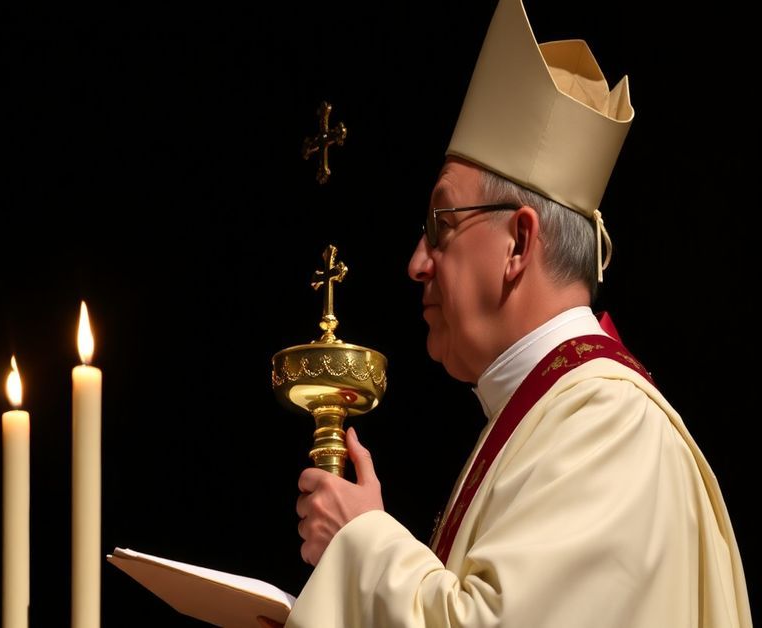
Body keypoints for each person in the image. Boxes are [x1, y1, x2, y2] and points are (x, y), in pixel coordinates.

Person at [279, 1, 753, 626]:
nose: (417, 262)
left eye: (439, 224)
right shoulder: (553, 417)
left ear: (519, 245)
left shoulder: (609, 427)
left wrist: (362, 542)